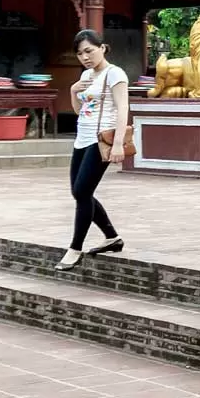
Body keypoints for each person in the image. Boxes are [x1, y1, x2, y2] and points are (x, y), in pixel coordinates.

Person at [61, 30, 127, 270]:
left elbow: (122, 109)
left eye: (89, 51)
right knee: (79, 193)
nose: (85, 57)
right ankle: (112, 237)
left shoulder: (115, 73)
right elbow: (80, 111)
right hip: (82, 138)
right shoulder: (88, 75)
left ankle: (75, 247)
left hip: (101, 141)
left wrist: (118, 143)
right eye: (80, 54)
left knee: (82, 190)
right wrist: (73, 90)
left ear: (103, 48)